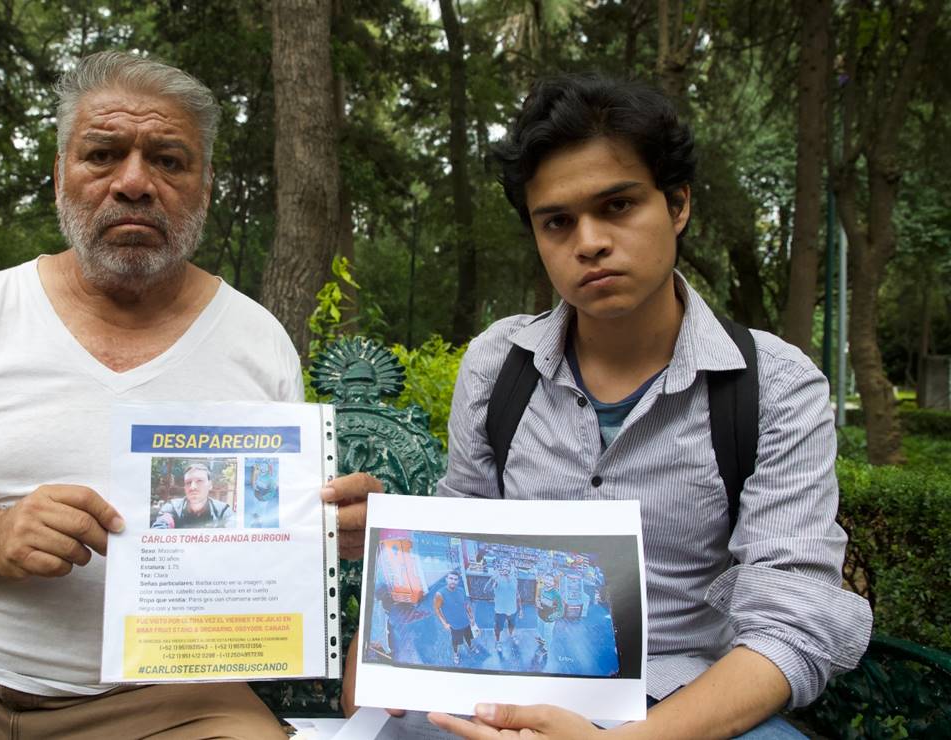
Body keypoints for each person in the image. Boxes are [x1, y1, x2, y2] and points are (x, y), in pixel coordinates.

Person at [0, 51, 378, 740]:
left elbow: (274, 530)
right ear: (60, 177)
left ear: (205, 187)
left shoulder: (257, 342)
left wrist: (334, 533)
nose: (134, 183)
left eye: (169, 161)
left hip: (160, 699)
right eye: (103, 154)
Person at [333, 74, 872, 738]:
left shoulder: (774, 385)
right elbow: (458, 540)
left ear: (677, 204)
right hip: (502, 692)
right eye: (557, 221)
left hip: (689, 705)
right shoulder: (499, 366)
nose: (587, 241)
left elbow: (792, 624)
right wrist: (390, 613)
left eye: (617, 206)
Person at [152, 462, 234, 528]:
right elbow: (161, 526)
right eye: (188, 482)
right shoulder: (173, 508)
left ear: (210, 485)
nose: (192, 487)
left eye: (199, 481)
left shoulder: (223, 511)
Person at [433, 571, 479, 666]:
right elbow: (437, 609)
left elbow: (466, 605)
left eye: (455, 579)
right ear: (446, 579)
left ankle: (471, 647)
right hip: (454, 625)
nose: (453, 581)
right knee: (456, 642)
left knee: (468, 637)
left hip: (465, 621)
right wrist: (444, 623)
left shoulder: (461, 590)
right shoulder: (440, 594)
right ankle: (456, 654)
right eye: (451, 578)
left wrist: (471, 617)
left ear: (458, 581)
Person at [485, 560, 523, 655]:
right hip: (500, 611)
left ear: (510, 568)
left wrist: (521, 609)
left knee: (512, 625)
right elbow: (486, 590)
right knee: (498, 628)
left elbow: (517, 594)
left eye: (507, 565)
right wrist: (492, 579)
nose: (505, 567)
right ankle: (498, 642)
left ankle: (512, 635)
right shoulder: (496, 579)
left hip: (512, 610)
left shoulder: (514, 579)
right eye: (503, 565)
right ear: (500, 568)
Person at [532, 573, 564, 662]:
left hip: (549, 620)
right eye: (547, 579)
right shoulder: (542, 589)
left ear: (554, 583)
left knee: (548, 634)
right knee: (540, 629)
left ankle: (546, 648)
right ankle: (542, 640)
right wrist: (538, 603)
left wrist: (552, 616)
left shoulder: (556, 594)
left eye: (551, 580)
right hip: (541, 615)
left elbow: (561, 610)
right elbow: (538, 598)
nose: (548, 582)